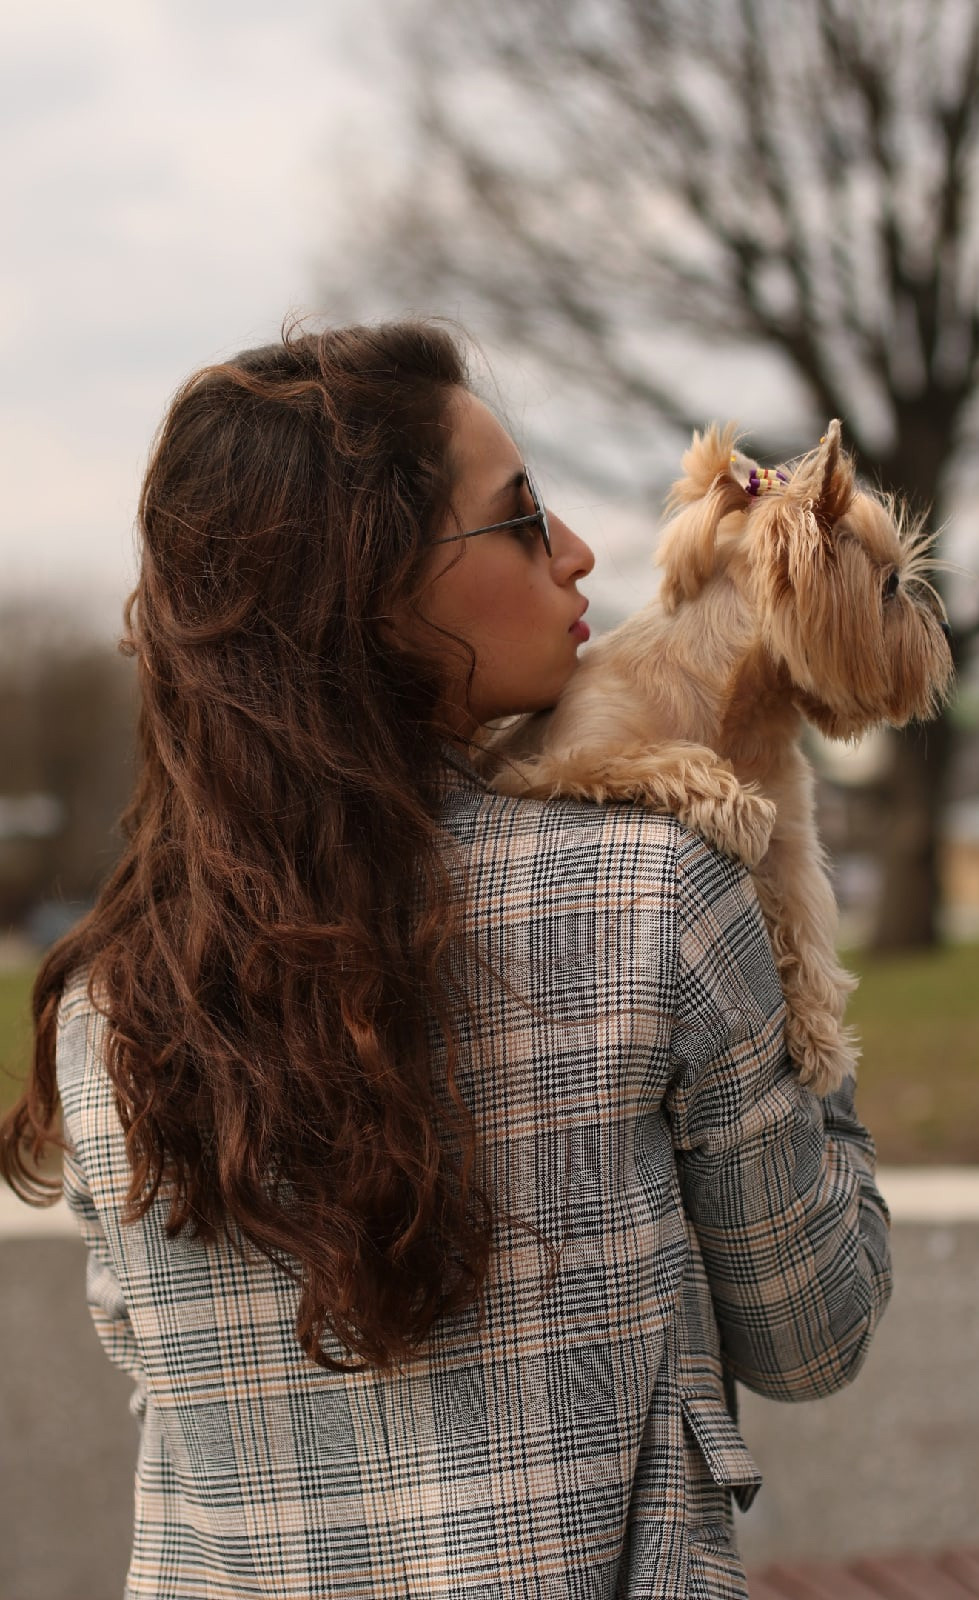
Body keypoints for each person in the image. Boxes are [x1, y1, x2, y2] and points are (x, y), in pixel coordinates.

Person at [0, 320, 892, 1599]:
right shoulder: (663, 899)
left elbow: (157, 1373)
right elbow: (815, 1330)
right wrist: (793, 938)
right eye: (523, 519)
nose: (581, 553)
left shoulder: (111, 998)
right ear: (370, 585)